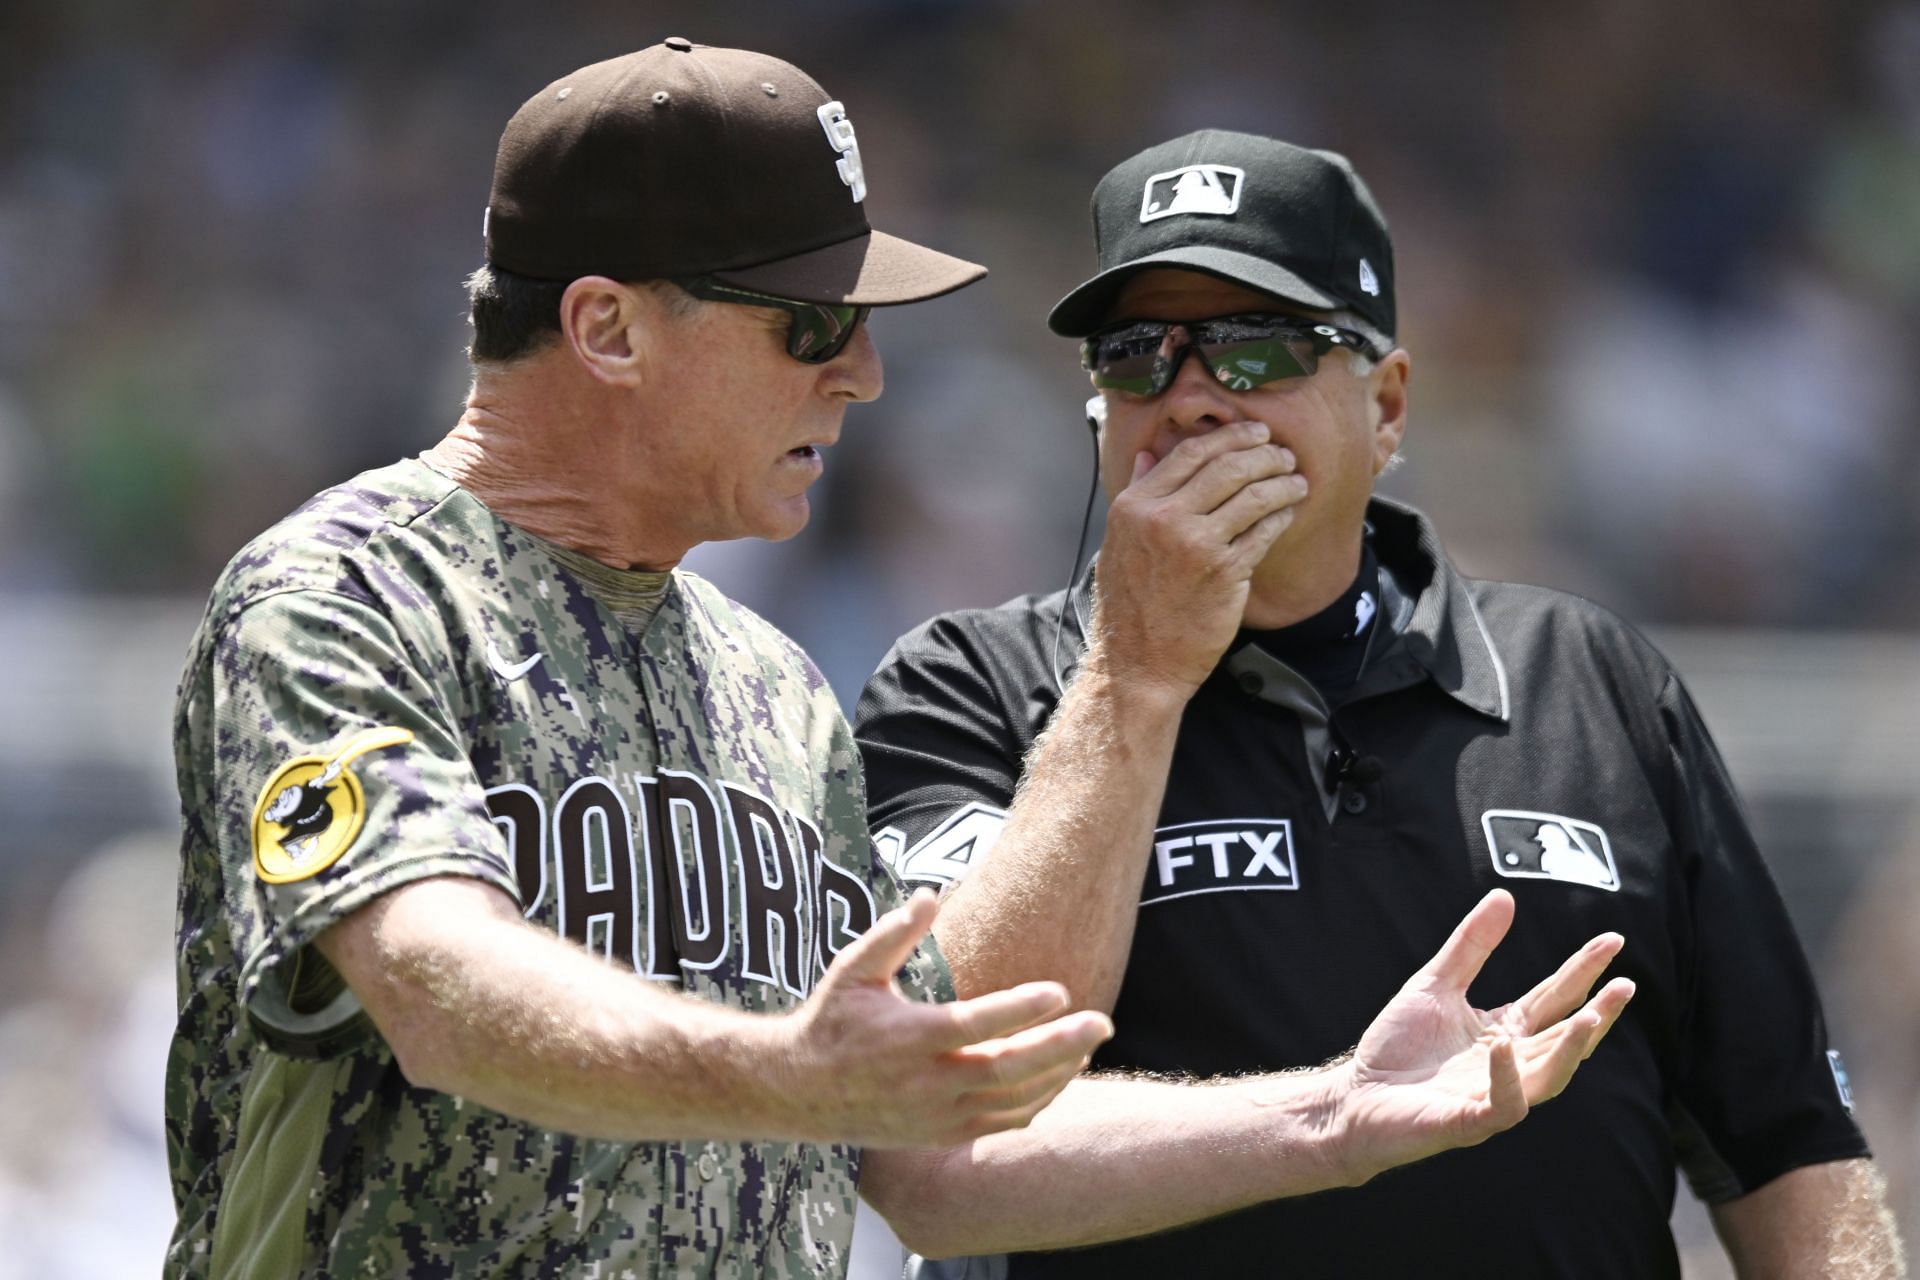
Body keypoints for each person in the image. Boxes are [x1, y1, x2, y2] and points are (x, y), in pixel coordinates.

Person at [166, 47, 1632, 1279]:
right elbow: (429, 984)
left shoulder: (774, 686)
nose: (860, 372)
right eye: (810, 323)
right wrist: (784, 1076)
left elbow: (941, 1131)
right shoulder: (347, 594)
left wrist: (1333, 1115)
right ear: (606, 327)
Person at [856, 130, 1906, 1277]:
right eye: (1138, 352)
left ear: (1389, 404)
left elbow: (1789, 1142)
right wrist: (1135, 675)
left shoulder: (1591, 677)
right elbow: (946, 1119)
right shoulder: (961, 685)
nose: (1193, 396)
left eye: (1256, 346)